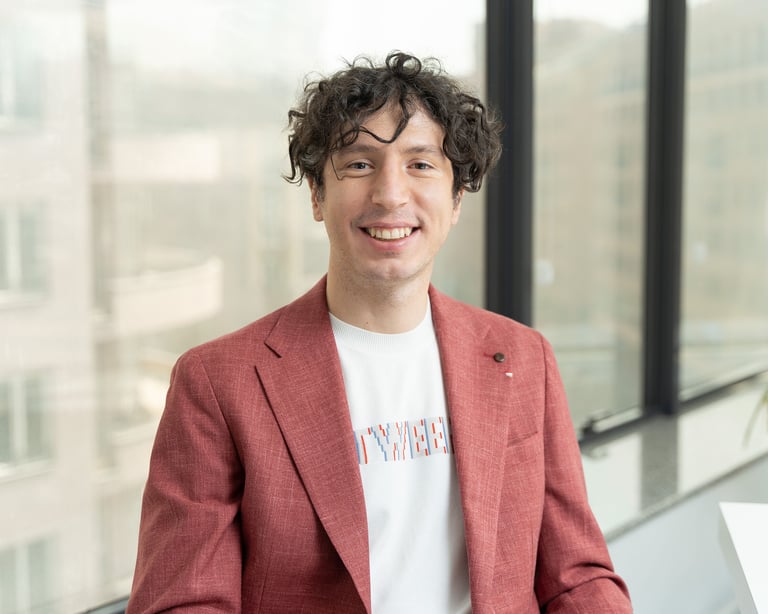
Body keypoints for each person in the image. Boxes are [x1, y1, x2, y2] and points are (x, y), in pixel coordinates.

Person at [127, 52, 632, 613]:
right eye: (360, 164)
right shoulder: (218, 382)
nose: (391, 195)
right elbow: (184, 601)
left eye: (421, 164)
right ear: (316, 195)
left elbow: (576, 577)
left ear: (456, 199)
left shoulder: (521, 356)